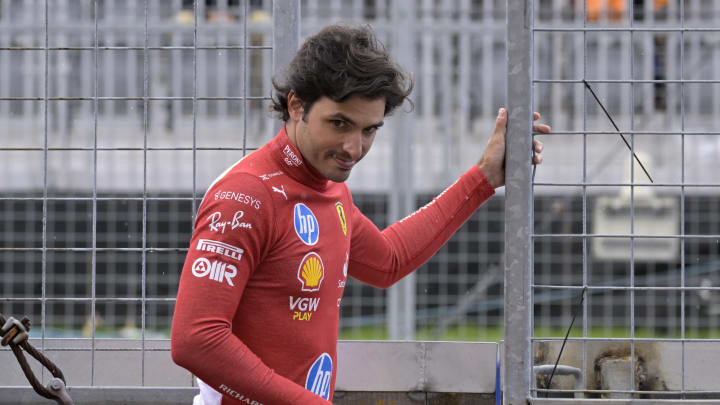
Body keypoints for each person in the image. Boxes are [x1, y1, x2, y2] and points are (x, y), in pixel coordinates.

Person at [171, 24, 548, 405]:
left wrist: (483, 177)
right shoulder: (246, 195)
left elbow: (388, 261)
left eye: (370, 130)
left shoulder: (328, 186)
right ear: (296, 105)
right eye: (339, 124)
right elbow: (195, 340)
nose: (354, 148)